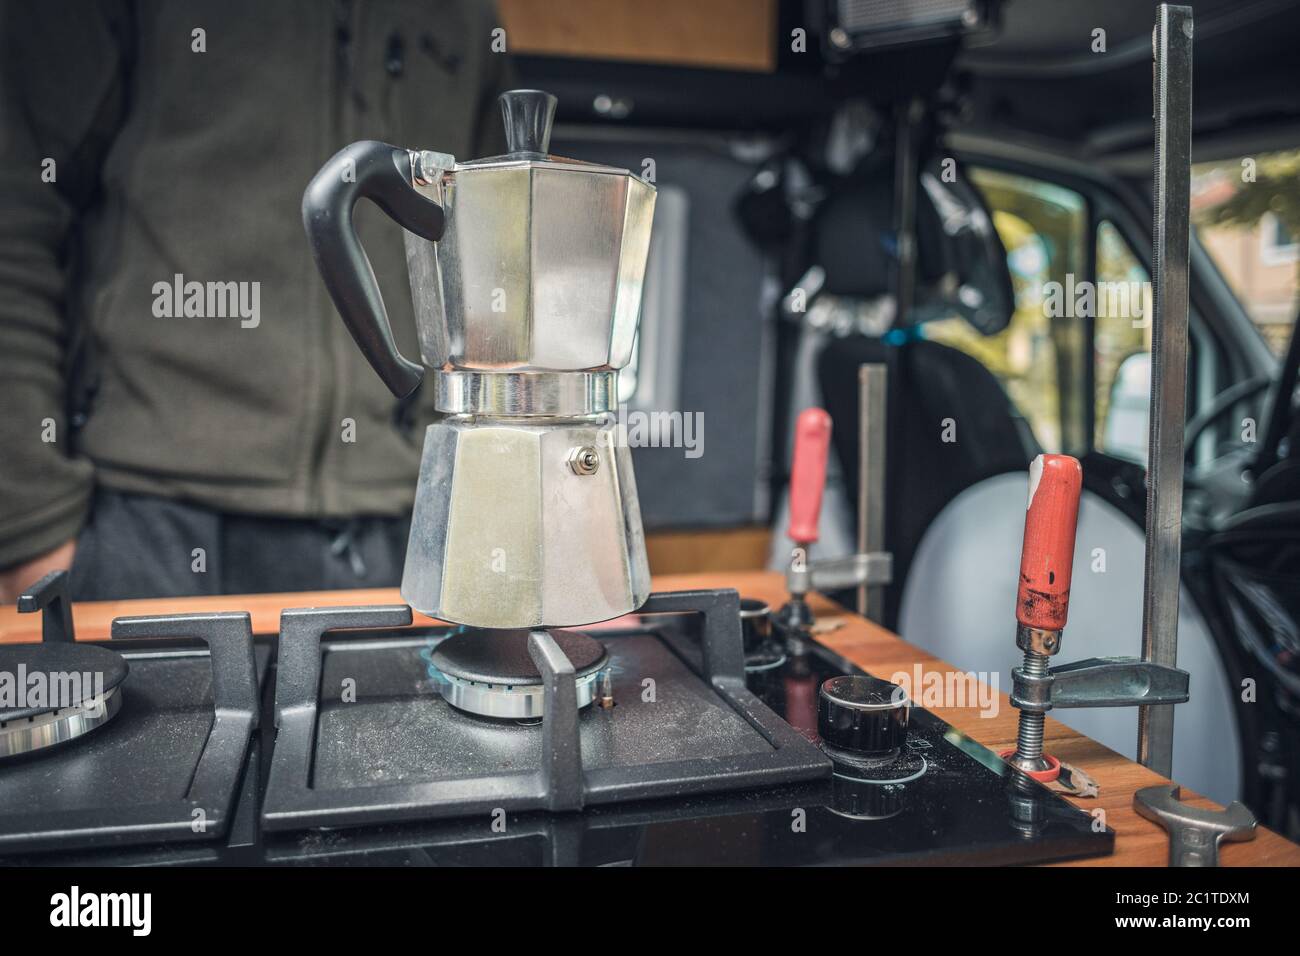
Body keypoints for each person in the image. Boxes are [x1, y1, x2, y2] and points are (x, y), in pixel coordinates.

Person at [0, 0, 512, 602]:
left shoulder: (470, 16)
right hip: (147, 528)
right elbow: (15, 211)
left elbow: (487, 257)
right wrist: (30, 529)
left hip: (407, 522)